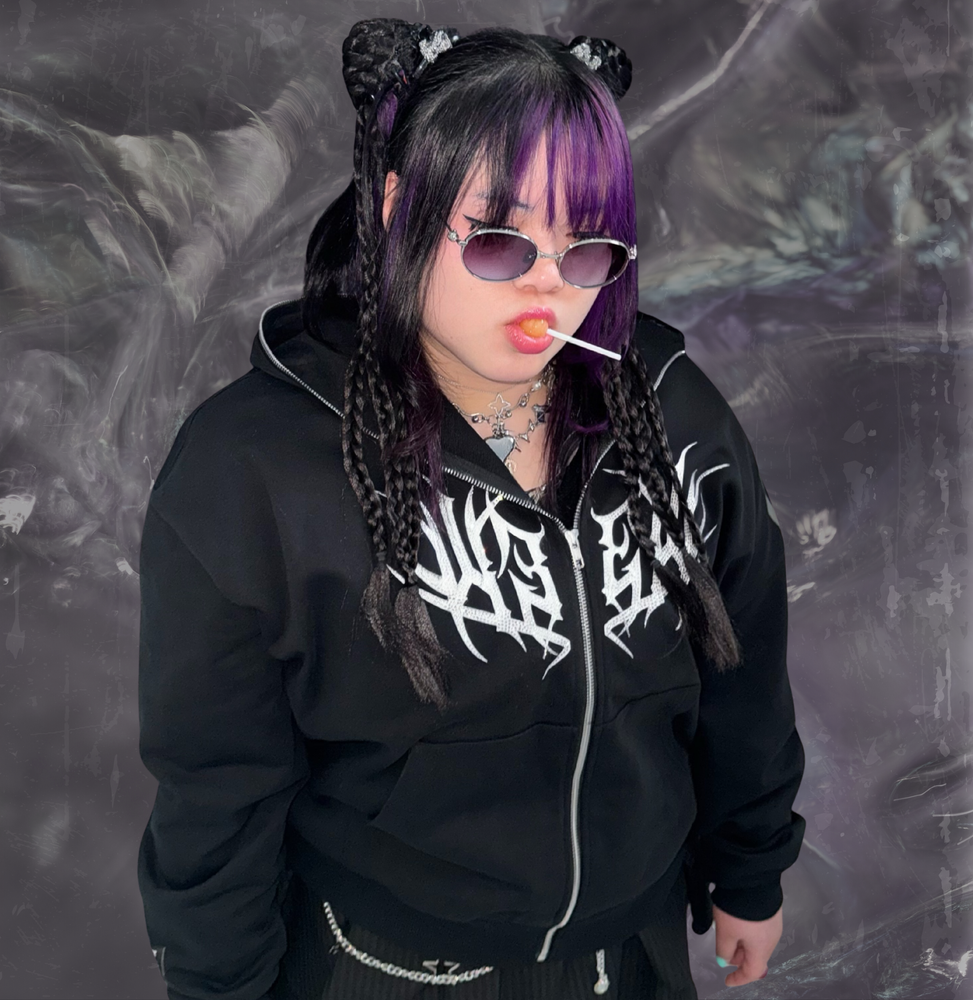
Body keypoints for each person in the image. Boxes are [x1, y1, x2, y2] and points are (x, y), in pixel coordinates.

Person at [136, 19, 807, 1000]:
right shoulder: (254, 468)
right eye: (498, 241)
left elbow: (741, 669)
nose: (548, 285)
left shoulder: (673, 416)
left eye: (587, 251)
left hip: (632, 953)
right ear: (401, 207)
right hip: (392, 966)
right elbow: (218, 784)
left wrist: (749, 867)